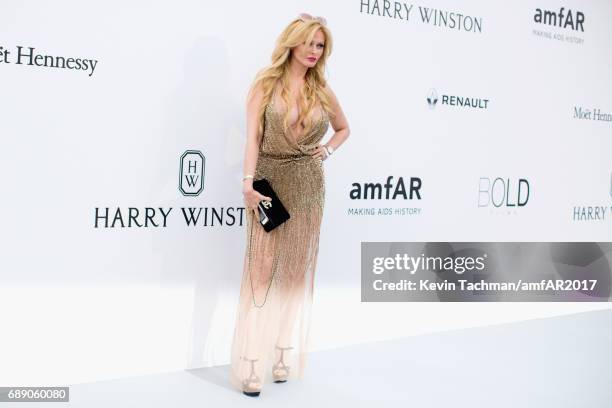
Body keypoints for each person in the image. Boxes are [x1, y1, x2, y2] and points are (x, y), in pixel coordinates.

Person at [229, 12, 350, 397]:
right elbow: (252, 139)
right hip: (267, 184)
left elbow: (344, 128)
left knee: (295, 275)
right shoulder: (265, 84)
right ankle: (250, 360)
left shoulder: (322, 89)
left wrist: (326, 151)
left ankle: (282, 352)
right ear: (292, 42)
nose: (314, 51)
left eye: (320, 45)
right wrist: (247, 183)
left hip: (309, 186)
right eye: (308, 43)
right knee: (261, 274)